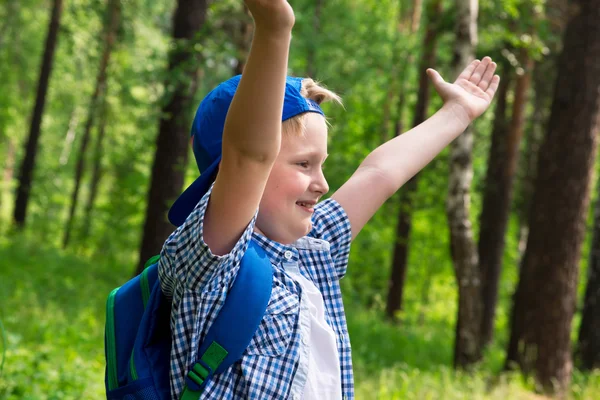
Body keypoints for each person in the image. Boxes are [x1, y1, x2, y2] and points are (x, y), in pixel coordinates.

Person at [158, 0, 500, 399]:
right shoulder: (213, 261)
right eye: (304, 164)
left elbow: (379, 173)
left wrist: (457, 113)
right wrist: (274, 27)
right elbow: (249, 155)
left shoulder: (311, 250)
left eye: (321, 165)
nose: (322, 184)